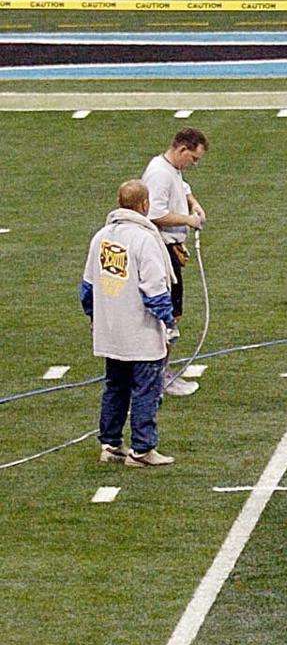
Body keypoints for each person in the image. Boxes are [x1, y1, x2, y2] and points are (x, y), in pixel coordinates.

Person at [82, 180, 177, 468]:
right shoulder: (145, 239)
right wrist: (169, 322)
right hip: (141, 331)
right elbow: (155, 288)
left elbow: (87, 287)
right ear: (144, 205)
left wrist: (94, 318)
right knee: (147, 389)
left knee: (115, 387)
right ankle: (142, 449)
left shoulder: (101, 237)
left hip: (111, 330)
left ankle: (110, 444)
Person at [140, 128, 206, 397]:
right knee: (168, 315)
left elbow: (180, 185)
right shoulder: (158, 173)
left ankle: (160, 373)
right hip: (163, 251)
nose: (194, 164)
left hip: (171, 248)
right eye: (193, 158)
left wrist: (192, 202)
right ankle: (160, 376)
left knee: (173, 313)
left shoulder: (171, 170)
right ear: (181, 150)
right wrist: (188, 220)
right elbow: (154, 213)